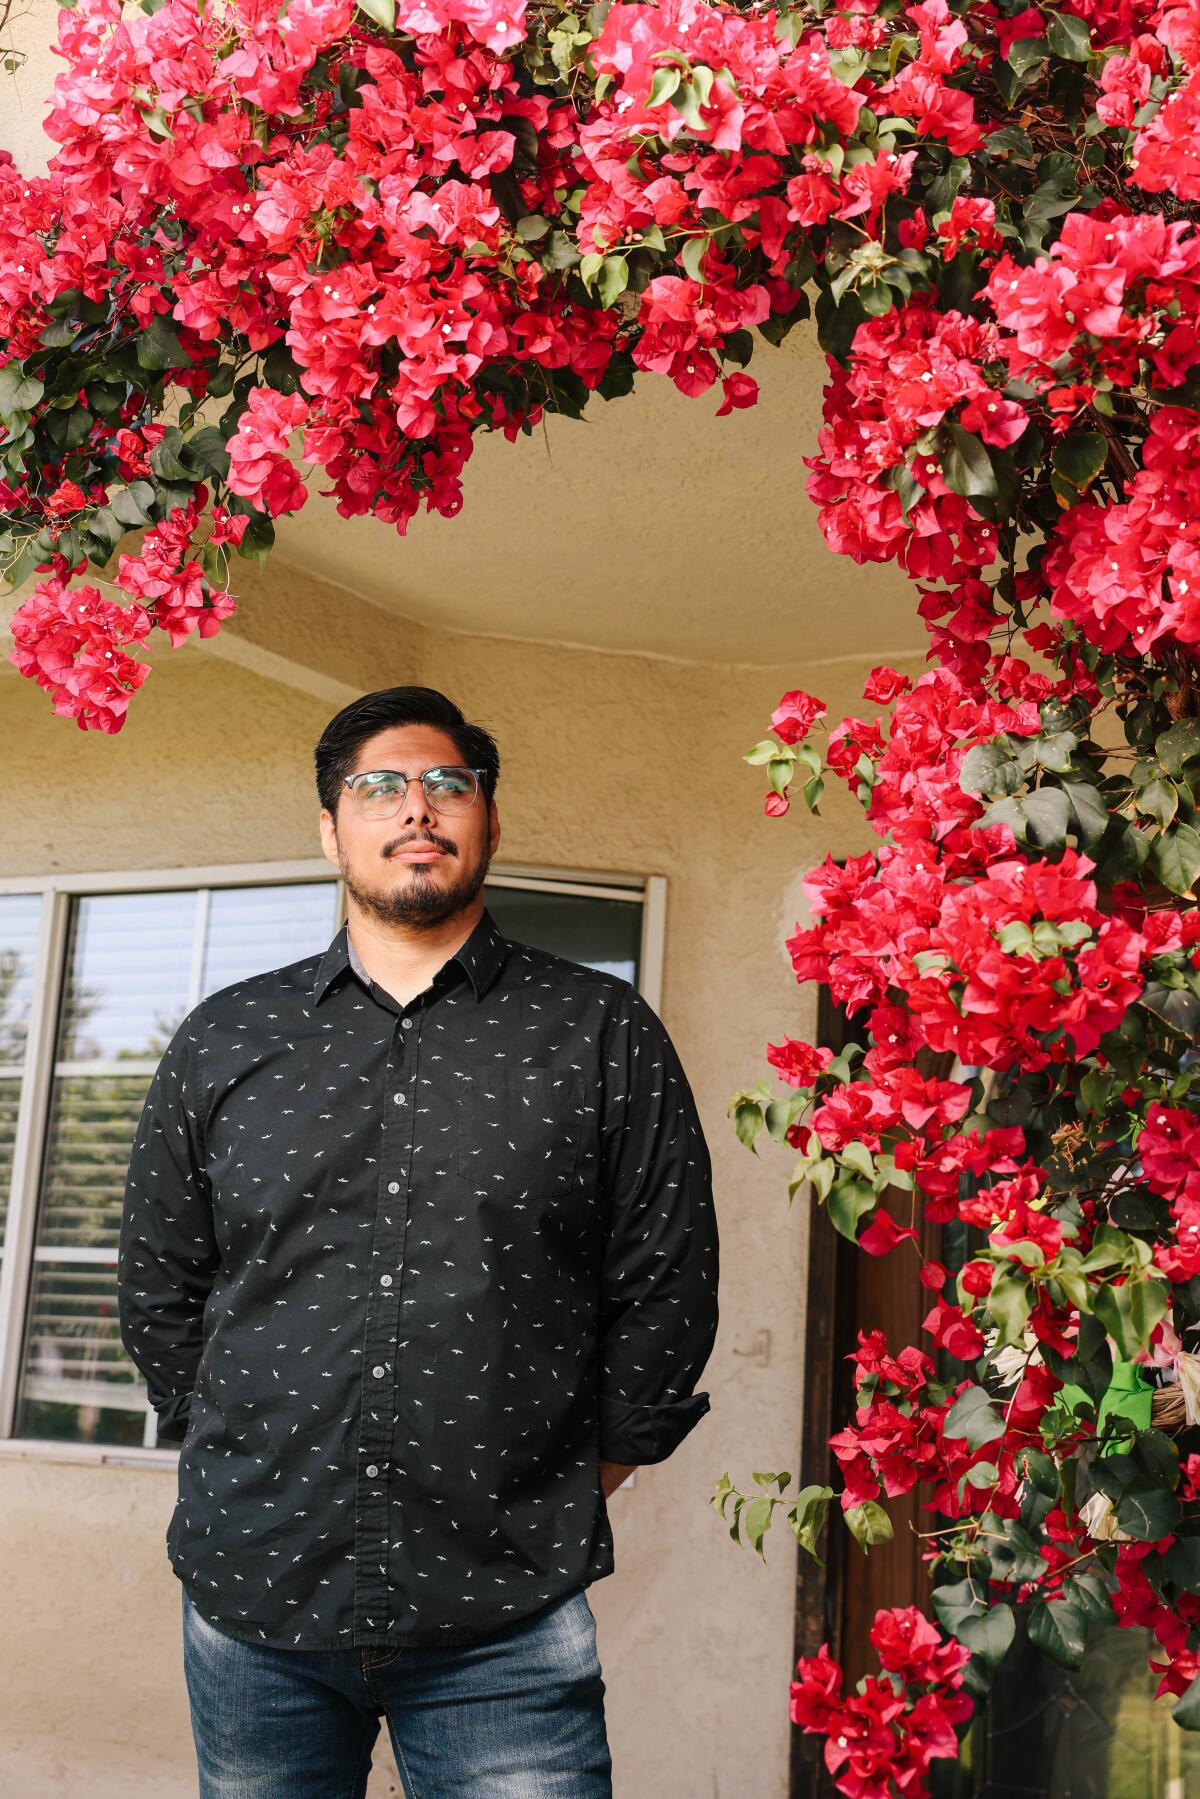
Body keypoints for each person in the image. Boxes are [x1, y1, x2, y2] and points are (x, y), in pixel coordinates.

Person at [118, 684, 721, 1798]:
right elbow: (161, 1283)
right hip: (257, 1596)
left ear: (491, 821)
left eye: (450, 782)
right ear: (329, 828)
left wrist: (584, 1469)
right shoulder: (226, 1037)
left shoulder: (597, 1030)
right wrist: (242, 1448)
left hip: (506, 1611)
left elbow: (666, 1278)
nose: (418, 806)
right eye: (378, 785)